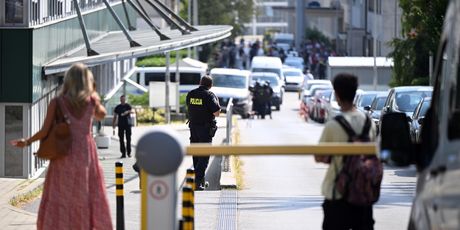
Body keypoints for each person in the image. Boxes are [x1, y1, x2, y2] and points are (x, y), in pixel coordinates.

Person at [10, 63, 112, 230]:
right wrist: (93, 92)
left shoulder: (58, 102)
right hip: (85, 155)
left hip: (64, 155)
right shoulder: (91, 101)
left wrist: (27, 141)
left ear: (68, 81)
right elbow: (102, 115)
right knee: (84, 195)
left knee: (62, 196)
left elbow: (44, 131)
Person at [315, 73, 377, 230]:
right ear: (355, 92)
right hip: (363, 194)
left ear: (336, 94)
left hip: (337, 193)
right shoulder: (369, 123)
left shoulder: (333, 125)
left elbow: (319, 156)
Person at [186, 75, 221, 190]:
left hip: (193, 128)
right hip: (205, 130)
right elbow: (216, 112)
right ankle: (197, 181)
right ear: (210, 85)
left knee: (196, 154)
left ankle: (198, 180)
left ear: (200, 82)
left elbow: (189, 107)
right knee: (204, 156)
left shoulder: (191, 93)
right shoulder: (209, 95)